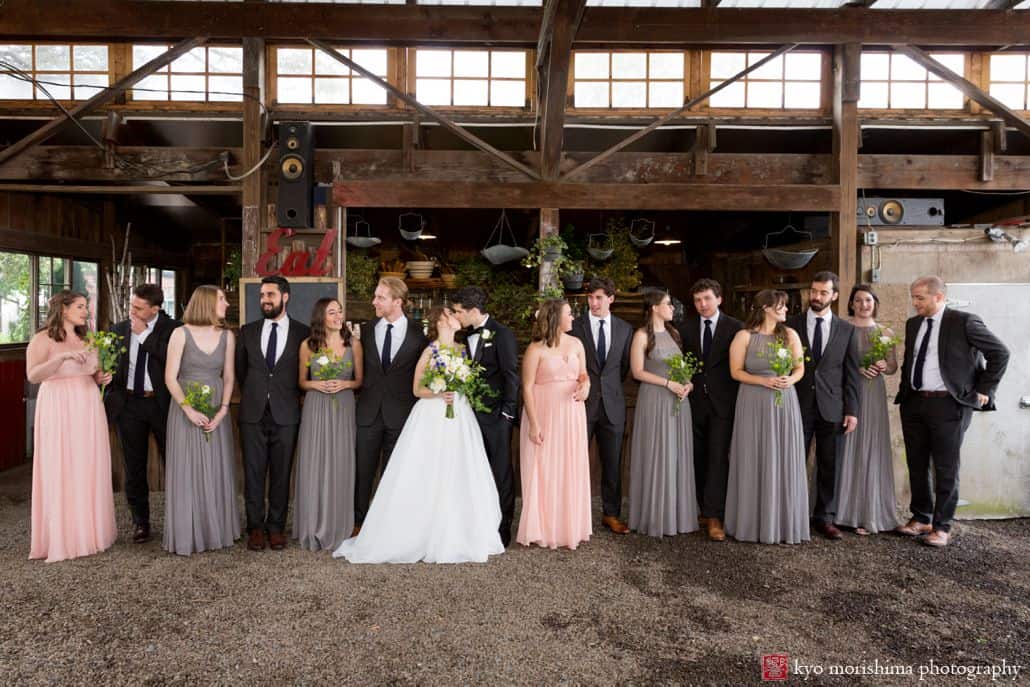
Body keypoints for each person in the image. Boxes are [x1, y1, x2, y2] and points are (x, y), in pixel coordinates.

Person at [333, 306, 503, 564]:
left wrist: (461, 388)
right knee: (427, 469)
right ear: (442, 322)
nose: (457, 317)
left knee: (458, 470)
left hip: (459, 416)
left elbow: (470, 383)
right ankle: (418, 531)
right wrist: (439, 392)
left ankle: (459, 530)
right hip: (432, 415)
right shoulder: (430, 350)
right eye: (451, 314)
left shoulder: (463, 349)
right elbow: (416, 389)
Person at [894, 276, 1009, 548]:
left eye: (920, 297)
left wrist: (985, 389)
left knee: (946, 467)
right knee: (917, 463)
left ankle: (942, 526)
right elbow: (911, 360)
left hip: (949, 404)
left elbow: (1000, 353)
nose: (914, 302)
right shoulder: (913, 324)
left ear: (939, 297)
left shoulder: (964, 321)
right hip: (914, 403)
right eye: (913, 296)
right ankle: (921, 517)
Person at [26, 290, 117, 562]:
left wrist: (102, 377)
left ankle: (89, 533)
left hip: (87, 404)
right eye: (80, 306)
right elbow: (32, 375)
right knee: (60, 464)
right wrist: (58, 360)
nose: (85, 311)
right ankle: (61, 537)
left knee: (86, 464)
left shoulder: (88, 338)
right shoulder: (42, 339)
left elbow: (93, 373)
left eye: (86, 306)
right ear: (63, 309)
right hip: (57, 405)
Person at [724, 289, 809, 545]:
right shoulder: (744, 336)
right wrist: (763, 380)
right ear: (765, 308)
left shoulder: (790, 335)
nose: (785, 309)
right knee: (753, 455)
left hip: (784, 403)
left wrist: (790, 379)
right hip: (753, 401)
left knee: (783, 457)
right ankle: (751, 522)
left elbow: (800, 367)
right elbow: (736, 372)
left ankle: (783, 523)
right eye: (780, 306)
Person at [163, 286, 239, 556]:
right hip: (185, 407)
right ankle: (188, 532)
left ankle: (214, 529)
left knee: (215, 466)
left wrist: (223, 409)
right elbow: (170, 377)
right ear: (207, 303)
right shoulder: (179, 334)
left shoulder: (228, 336)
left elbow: (228, 376)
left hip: (217, 405)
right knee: (187, 468)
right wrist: (188, 410)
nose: (227, 304)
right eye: (222, 299)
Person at [235, 276, 310, 551]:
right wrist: (257, 394)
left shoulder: (303, 333)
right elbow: (241, 371)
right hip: (253, 413)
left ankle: (276, 527)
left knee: (281, 473)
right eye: (261, 295)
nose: (265, 300)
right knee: (253, 473)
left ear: (285, 297)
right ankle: (255, 527)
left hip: (287, 414)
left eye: (270, 295)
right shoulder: (248, 331)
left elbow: (306, 372)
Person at [104, 283, 182, 544]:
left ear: (156, 309)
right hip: (129, 405)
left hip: (162, 404)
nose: (132, 311)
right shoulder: (118, 329)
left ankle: (179, 520)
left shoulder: (174, 330)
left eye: (138, 308)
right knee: (134, 466)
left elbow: (172, 360)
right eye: (131, 305)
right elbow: (111, 364)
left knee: (174, 463)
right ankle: (141, 523)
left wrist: (145, 336)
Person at [787, 271, 860, 541]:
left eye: (823, 293)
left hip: (833, 407)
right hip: (798, 404)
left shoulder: (847, 329)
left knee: (830, 464)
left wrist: (851, 410)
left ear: (835, 296)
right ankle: (793, 514)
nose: (816, 297)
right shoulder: (791, 325)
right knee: (794, 461)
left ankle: (825, 518)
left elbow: (851, 374)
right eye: (813, 291)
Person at [354, 276, 428, 534]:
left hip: (401, 414)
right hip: (367, 412)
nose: (374, 301)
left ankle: (387, 526)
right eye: (375, 296)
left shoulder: (419, 333)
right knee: (362, 472)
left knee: (394, 474)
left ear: (398, 301)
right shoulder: (364, 330)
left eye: (380, 297)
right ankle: (359, 523)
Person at [517, 299, 592, 550]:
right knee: (545, 467)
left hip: (571, 414)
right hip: (545, 412)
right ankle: (544, 528)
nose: (573, 317)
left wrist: (586, 387)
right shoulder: (535, 350)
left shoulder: (577, 344)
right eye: (569, 314)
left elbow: (584, 375)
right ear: (555, 318)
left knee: (569, 466)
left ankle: (569, 527)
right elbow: (526, 387)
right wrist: (534, 424)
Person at [451, 286, 520, 547]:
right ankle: (478, 524)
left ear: (473, 310)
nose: (457, 316)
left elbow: (511, 375)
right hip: (469, 416)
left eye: (459, 312)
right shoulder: (465, 336)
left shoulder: (502, 334)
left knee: (500, 471)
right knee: (474, 470)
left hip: (496, 416)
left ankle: (503, 530)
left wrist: (507, 413)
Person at [293, 298, 363, 552]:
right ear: (321, 317)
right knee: (315, 462)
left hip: (343, 406)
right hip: (316, 407)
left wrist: (345, 384)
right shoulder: (308, 346)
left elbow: (359, 380)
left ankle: (339, 525)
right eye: (332, 312)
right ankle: (313, 525)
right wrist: (316, 384)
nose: (338, 316)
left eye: (340, 311)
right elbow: (302, 381)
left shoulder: (353, 344)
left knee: (341, 462)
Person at [628, 290, 699, 537]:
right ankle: (656, 515)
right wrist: (668, 384)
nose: (672, 308)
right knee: (658, 453)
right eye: (668, 304)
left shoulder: (673, 333)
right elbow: (637, 371)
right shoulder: (641, 335)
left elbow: (681, 367)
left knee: (676, 454)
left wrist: (688, 383)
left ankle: (677, 514)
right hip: (655, 399)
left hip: (678, 401)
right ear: (654, 308)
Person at [677, 278, 742, 542]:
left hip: (723, 404)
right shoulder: (685, 328)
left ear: (719, 299)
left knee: (717, 457)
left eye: (706, 299)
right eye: (697, 300)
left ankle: (715, 516)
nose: (702, 304)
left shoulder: (736, 328)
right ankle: (701, 509)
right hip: (692, 404)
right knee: (696, 456)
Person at [834, 285, 900, 535]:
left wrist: (885, 363)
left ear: (875, 303)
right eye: (859, 300)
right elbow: (833, 363)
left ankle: (867, 513)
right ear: (851, 304)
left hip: (873, 394)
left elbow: (894, 367)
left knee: (870, 447)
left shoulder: (885, 331)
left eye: (868, 300)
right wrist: (856, 369)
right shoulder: (842, 328)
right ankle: (840, 512)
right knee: (845, 446)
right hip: (848, 392)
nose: (864, 304)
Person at [570, 277, 633, 535]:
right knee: (574, 461)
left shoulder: (625, 329)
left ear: (611, 299)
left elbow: (624, 368)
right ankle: (573, 515)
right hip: (580, 404)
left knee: (612, 463)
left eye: (598, 298)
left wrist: (610, 391)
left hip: (613, 405)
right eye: (590, 298)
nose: (593, 303)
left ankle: (611, 514)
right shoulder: (574, 327)